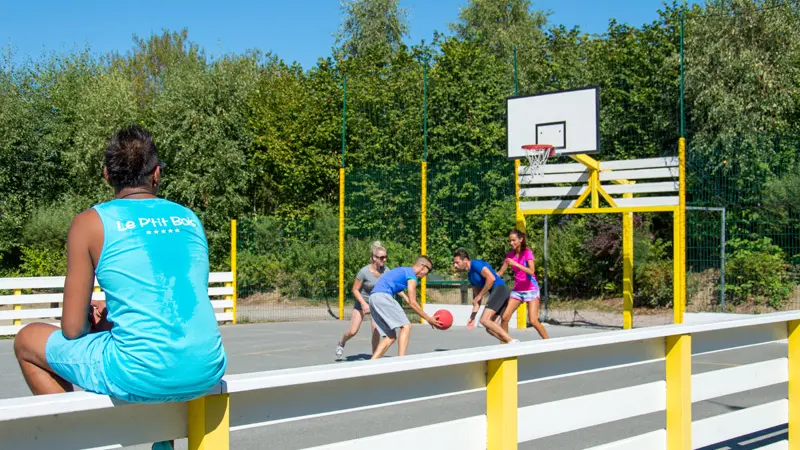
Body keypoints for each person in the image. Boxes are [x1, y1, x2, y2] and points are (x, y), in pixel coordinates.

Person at [13, 125, 227, 450]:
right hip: (206, 367)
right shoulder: (188, 218)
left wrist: (94, 323)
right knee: (151, 345)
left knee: (27, 341)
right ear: (156, 174)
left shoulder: (90, 223)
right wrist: (111, 317)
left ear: (106, 175)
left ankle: (77, 441)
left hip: (140, 373)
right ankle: (162, 443)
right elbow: (168, 303)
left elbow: (71, 330)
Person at [336, 241, 408, 360]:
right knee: (353, 331)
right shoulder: (364, 272)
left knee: (376, 330)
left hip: (377, 305)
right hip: (362, 303)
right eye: (381, 257)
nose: (384, 260)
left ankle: (375, 358)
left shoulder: (386, 271)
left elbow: (393, 286)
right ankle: (341, 343)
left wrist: (406, 297)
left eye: (385, 257)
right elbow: (355, 290)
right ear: (374, 258)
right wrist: (364, 304)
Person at [368, 256, 441, 359]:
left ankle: (371, 364)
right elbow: (413, 303)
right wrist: (428, 319)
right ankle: (401, 361)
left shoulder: (403, 270)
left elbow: (391, 283)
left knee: (390, 337)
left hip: (373, 298)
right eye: (427, 272)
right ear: (423, 267)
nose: (425, 275)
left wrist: (405, 297)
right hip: (383, 296)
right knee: (406, 326)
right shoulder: (412, 275)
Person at [452, 249, 519, 345]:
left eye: (457, 262)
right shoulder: (470, 276)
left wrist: (480, 295)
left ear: (465, 260)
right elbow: (477, 300)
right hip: (498, 292)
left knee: (484, 320)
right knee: (490, 328)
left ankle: (512, 341)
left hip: (500, 289)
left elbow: (491, 278)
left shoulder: (476, 264)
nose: (455, 265)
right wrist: (472, 317)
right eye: (454, 263)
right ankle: (508, 343)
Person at [498, 229, 549, 340]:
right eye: (510, 241)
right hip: (517, 290)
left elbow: (531, 271)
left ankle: (548, 342)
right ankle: (505, 345)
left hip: (531, 289)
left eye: (514, 240)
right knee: (505, 317)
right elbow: (501, 272)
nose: (511, 243)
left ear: (521, 239)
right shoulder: (510, 255)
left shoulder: (527, 252)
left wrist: (516, 263)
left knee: (533, 320)